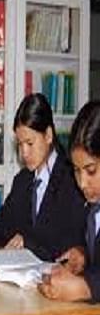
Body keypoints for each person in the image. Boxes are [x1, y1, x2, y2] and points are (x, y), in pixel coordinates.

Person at [0, 93, 86, 261]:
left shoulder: (73, 177)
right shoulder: (23, 180)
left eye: (30, 143)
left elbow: (72, 239)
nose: (24, 153)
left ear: (48, 135)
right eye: (20, 144)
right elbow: (2, 223)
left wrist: (29, 244)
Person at [39, 100, 100, 303]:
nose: (82, 183)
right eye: (76, 171)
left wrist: (86, 287)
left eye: (91, 171)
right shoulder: (92, 209)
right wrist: (83, 255)